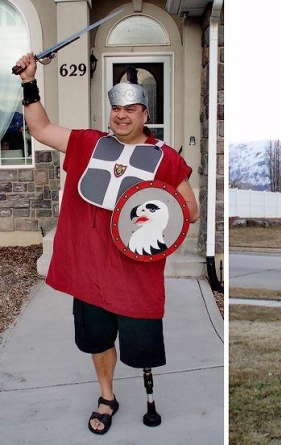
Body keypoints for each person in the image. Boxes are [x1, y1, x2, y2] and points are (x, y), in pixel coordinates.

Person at [14, 53, 199, 435]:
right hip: (91, 272)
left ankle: (135, 384)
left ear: (145, 114)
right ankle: (107, 396)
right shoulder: (89, 143)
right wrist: (29, 81)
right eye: (116, 108)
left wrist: (156, 212)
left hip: (134, 274)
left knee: (141, 344)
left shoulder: (164, 159)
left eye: (131, 108)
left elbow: (189, 211)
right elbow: (41, 128)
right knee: (97, 339)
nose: (122, 115)